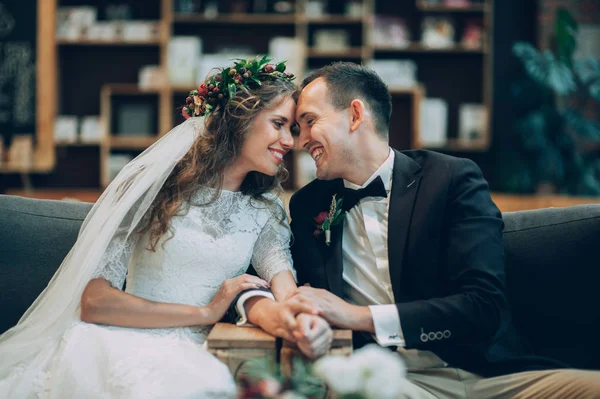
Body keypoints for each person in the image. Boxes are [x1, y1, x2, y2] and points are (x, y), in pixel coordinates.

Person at [239, 62, 600, 398]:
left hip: (492, 377)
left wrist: (358, 317)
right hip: (390, 382)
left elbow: (483, 306)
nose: (301, 142)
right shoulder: (308, 206)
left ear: (354, 115)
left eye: (310, 121)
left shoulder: (451, 179)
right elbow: (266, 274)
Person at [0, 56, 332, 398]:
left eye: (292, 130)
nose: (290, 142)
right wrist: (205, 311)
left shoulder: (265, 210)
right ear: (239, 120)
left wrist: (303, 318)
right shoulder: (156, 190)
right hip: (119, 341)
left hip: (200, 355)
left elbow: (285, 288)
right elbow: (95, 302)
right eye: (278, 124)